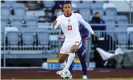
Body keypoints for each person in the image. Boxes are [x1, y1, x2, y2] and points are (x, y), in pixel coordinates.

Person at [52, 1, 100, 79]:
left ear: (71, 8)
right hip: (67, 40)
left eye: (69, 7)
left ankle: (67, 70)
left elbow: (86, 24)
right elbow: (54, 27)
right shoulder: (60, 18)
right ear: (63, 9)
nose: (67, 9)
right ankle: (68, 72)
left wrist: (93, 32)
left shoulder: (77, 16)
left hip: (77, 38)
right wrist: (53, 25)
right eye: (65, 8)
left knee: (74, 50)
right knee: (61, 60)